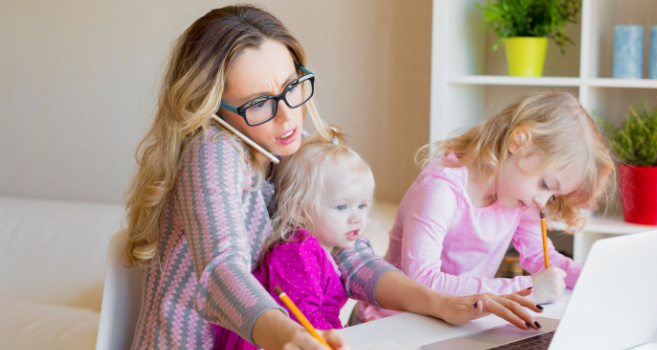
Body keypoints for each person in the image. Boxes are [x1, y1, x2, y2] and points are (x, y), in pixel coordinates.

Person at [122, 5, 541, 350]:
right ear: (213, 109)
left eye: (292, 88)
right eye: (259, 104)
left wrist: (442, 303)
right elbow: (221, 270)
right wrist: (288, 336)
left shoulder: (289, 147)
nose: (288, 117)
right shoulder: (212, 150)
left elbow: (351, 256)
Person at [356, 91, 615, 323]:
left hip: (453, 322)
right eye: (545, 184)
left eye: (554, 196)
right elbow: (421, 281)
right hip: (391, 322)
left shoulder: (519, 198)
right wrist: (523, 290)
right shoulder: (442, 187)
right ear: (518, 142)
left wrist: (596, 275)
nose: (542, 202)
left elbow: (542, 258)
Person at [215, 128, 382, 349]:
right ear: (300, 211)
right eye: (342, 207)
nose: (357, 218)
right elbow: (304, 320)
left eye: (362, 205)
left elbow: (321, 319)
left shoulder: (323, 250)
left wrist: (350, 334)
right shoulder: (299, 251)